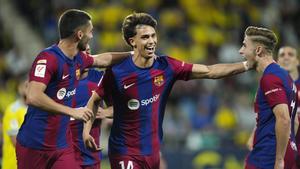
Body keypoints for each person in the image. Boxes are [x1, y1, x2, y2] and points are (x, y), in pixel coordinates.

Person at [83, 12, 253, 169]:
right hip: (124, 151)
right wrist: (86, 132)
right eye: (144, 37)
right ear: (132, 41)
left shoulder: (167, 66)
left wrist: (246, 65)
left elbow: (210, 71)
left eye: (153, 35)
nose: (151, 41)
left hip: (154, 152)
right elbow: (95, 100)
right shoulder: (117, 72)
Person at [16, 9, 130, 169]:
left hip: (62, 147)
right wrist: (72, 111)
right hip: (34, 145)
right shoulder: (48, 58)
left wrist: (133, 54)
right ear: (80, 35)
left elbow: (101, 59)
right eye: (90, 32)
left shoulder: (78, 59)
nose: (92, 36)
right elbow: (33, 96)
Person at [240, 27, 297, 169]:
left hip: (267, 156)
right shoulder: (284, 75)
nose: (241, 51)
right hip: (280, 150)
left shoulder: (270, 78)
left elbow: (284, 119)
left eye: (245, 45)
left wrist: (279, 159)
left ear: (258, 50)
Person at [2, 80, 28, 169]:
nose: (29, 89)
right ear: (20, 88)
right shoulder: (12, 110)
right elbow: (16, 142)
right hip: (13, 165)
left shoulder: (36, 110)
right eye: (26, 86)